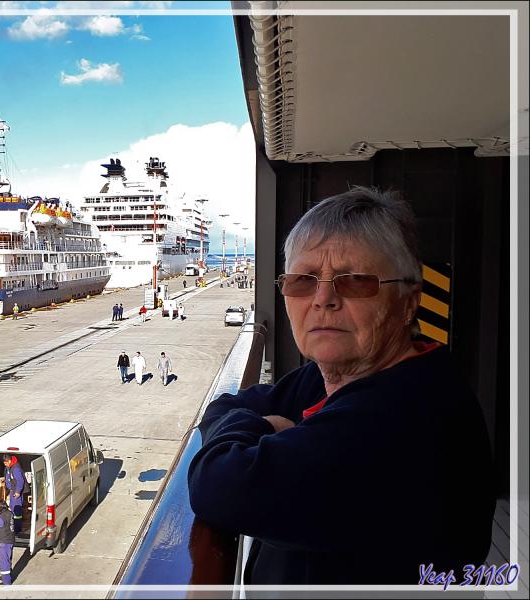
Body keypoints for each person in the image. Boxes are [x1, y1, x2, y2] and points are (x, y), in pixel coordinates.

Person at [188, 187, 494, 585]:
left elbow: (217, 485)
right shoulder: (335, 373)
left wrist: (263, 428)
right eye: (303, 280)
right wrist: (262, 427)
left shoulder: (406, 418)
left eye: (354, 281)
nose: (324, 298)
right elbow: (223, 406)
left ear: (408, 302)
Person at [0, 454, 25, 534]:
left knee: (17, 511)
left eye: (6, 463)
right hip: (12, 491)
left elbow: (20, 481)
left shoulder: (16, 468)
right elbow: (10, 476)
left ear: (9, 461)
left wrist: (17, 492)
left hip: (15, 493)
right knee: (12, 508)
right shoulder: (9, 467)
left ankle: (17, 529)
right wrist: (4, 478)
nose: (5, 465)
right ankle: (13, 526)